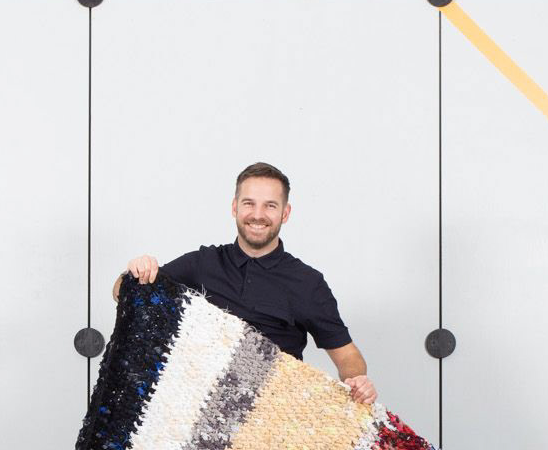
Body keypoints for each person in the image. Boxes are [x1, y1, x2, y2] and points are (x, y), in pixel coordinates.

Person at [116, 161, 377, 405]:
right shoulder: (202, 264)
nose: (258, 215)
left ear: (285, 213)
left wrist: (357, 380)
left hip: (273, 416)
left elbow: (348, 356)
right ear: (235, 208)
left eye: (270, 205)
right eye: (249, 203)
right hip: (195, 409)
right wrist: (136, 273)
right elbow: (122, 292)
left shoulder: (308, 283)